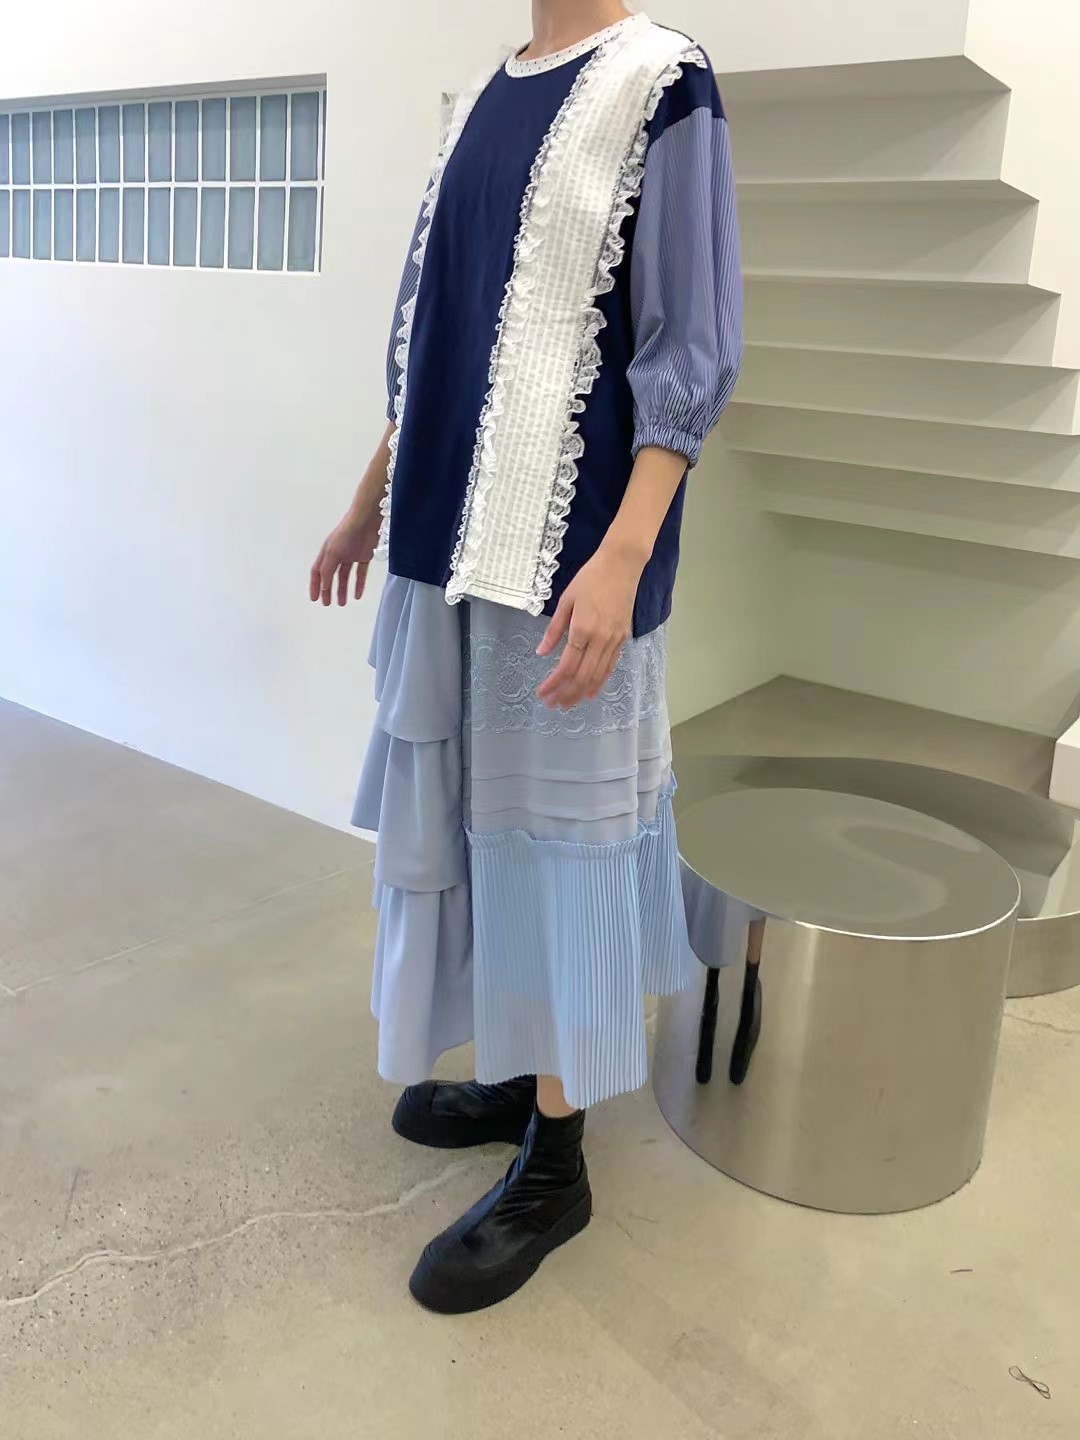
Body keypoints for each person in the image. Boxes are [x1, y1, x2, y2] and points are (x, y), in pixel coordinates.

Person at [310, 0, 742, 1314]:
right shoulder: (487, 95)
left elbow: (690, 344)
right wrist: (368, 500)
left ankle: (558, 1158)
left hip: (569, 555)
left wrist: (623, 556)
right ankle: (516, 1066)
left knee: (560, 846)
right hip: (448, 536)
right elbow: (435, 337)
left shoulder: (664, 81)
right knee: (478, 825)